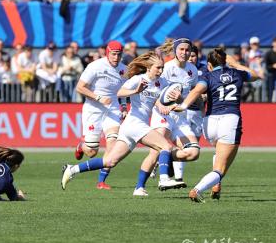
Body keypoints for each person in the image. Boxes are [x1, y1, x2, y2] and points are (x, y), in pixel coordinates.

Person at [61, 51, 184, 192]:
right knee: (165, 146)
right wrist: (135, 91)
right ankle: (164, 179)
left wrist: (177, 100)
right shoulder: (139, 79)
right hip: (135, 123)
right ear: (148, 67)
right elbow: (119, 93)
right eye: (158, 67)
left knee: (109, 161)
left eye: (162, 67)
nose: (161, 71)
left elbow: (168, 99)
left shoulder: (162, 83)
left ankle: (72, 169)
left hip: (131, 127)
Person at [174, 48, 260, 203]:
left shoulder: (207, 75)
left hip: (210, 123)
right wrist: (236, 64)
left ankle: (215, 186)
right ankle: (198, 189)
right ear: (226, 61)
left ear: (209, 65)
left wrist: (184, 105)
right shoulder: (238, 73)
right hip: (230, 120)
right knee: (221, 167)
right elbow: (255, 75)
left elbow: (196, 91)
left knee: (220, 154)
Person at [133, 38, 201, 197]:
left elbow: (190, 94)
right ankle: (139, 187)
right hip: (163, 115)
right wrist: (160, 105)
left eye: (187, 50)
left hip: (181, 117)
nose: (184, 53)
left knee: (193, 152)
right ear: (175, 50)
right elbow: (153, 90)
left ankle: (165, 158)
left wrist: (192, 99)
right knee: (156, 150)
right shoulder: (166, 68)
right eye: (181, 49)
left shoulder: (193, 70)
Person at [72, 41, 127, 190]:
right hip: (94, 109)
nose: (116, 57)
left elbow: (123, 91)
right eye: (113, 54)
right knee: (91, 152)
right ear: (107, 53)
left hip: (113, 110)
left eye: (119, 54)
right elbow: (80, 87)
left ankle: (101, 181)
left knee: (113, 145)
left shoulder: (124, 70)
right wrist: (98, 97)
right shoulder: (95, 66)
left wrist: (123, 107)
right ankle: (81, 147)